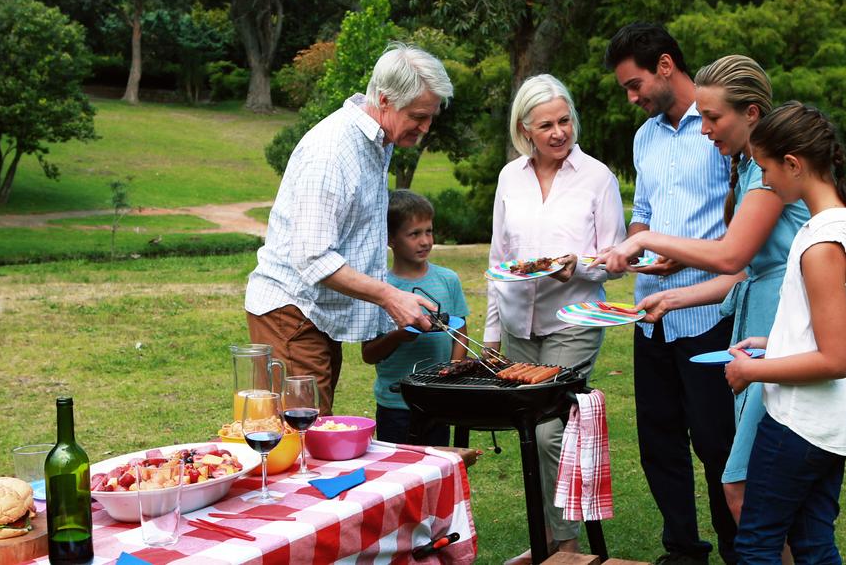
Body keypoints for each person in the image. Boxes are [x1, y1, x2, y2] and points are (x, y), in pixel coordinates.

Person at [595, 55, 809, 531]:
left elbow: (733, 257)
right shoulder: (748, 167)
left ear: (751, 114)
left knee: (742, 480)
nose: (705, 129)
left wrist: (645, 239)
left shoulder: (765, 173)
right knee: (753, 481)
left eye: (713, 118)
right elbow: (743, 273)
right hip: (751, 326)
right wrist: (670, 300)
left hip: (774, 326)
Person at [244, 43, 452, 416]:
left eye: (431, 116)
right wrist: (390, 296)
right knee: (301, 436)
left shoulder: (377, 141)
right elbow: (312, 258)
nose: (425, 127)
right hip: (293, 313)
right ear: (385, 99)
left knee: (312, 430)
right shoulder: (332, 151)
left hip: (316, 316)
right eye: (418, 116)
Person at [602, 23, 737, 565]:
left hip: (710, 308)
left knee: (715, 442)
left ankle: (738, 549)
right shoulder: (646, 137)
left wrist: (684, 253)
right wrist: (628, 247)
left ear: (664, 65)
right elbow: (647, 215)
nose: (632, 99)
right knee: (659, 442)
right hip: (650, 312)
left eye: (634, 85)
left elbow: (742, 229)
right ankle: (683, 550)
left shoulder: (720, 128)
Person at [725, 101, 846, 563]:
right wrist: (772, 344)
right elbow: (831, 330)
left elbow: (836, 359)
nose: (764, 181)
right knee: (813, 544)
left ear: (793, 164)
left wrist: (754, 373)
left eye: (766, 169)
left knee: (756, 542)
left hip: (801, 423)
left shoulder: (821, 245)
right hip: (827, 425)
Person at [484, 73, 626, 564]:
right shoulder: (509, 178)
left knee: (548, 430)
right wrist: (491, 333)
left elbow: (614, 258)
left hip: (576, 317)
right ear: (525, 130)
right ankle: (545, 537)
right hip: (518, 320)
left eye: (565, 120)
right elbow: (500, 261)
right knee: (528, 429)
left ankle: (566, 544)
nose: (560, 132)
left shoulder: (597, 177)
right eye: (546, 124)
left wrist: (579, 265)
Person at [361, 190, 469, 446]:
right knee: (399, 473)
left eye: (428, 231)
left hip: (437, 399)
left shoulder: (448, 279)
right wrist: (400, 335)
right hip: (396, 404)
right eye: (414, 234)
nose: (425, 241)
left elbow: (460, 332)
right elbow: (369, 354)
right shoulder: (380, 288)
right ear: (390, 239)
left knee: (437, 468)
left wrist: (452, 369)